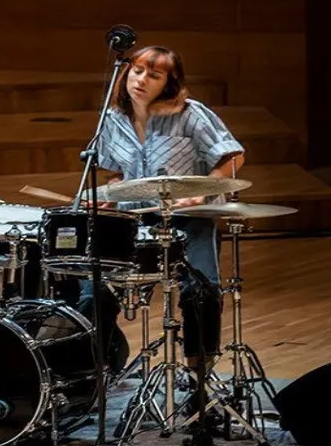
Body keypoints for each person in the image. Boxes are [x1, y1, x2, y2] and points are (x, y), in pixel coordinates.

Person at [82, 44, 245, 419]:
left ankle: (199, 383)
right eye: (137, 71)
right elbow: (117, 172)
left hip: (190, 219)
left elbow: (233, 157)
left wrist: (205, 189)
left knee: (200, 290)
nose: (141, 80)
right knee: (94, 290)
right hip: (135, 219)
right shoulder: (112, 117)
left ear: (169, 83)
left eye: (153, 75)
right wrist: (111, 195)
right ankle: (89, 380)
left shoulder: (191, 115)